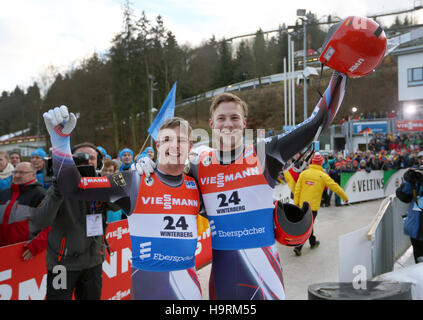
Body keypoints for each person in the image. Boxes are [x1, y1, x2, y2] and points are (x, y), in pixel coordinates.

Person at [139, 70, 348, 299]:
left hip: (265, 280)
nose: (228, 124)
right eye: (221, 118)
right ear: (211, 124)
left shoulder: (264, 152)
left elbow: (316, 122)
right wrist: (146, 166)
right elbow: (167, 178)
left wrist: (340, 72)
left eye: (234, 118)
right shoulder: (199, 164)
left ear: (244, 123)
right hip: (222, 281)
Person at [43, 106, 203, 300]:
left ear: (191, 146)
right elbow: (73, 187)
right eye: (167, 139)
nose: (175, 146)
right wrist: (60, 142)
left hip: (189, 289)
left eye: (181, 140)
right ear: (158, 144)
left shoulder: (196, 184)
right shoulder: (132, 181)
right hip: (148, 289)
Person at [31, 141, 111, 300]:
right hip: (62, 265)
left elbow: (120, 206)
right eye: (80, 158)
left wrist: (107, 186)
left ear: (99, 162)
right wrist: (58, 190)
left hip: (93, 262)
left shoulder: (102, 184)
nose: (86, 162)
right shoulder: (59, 187)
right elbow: (39, 222)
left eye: (92, 158)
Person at [293, 152, 349, 256]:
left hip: (302, 205)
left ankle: (312, 242)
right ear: (321, 163)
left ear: (312, 162)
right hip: (312, 207)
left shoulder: (304, 173)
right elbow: (335, 187)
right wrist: (344, 197)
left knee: (307, 224)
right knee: (308, 226)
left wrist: (296, 202)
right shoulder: (323, 175)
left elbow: (297, 189)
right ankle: (298, 247)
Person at [0, 162, 49, 261]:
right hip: (3, 250)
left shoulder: (41, 195)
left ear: (33, 174)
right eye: (15, 172)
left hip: (26, 252)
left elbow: (53, 225)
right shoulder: (4, 193)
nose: (17, 176)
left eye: (22, 173)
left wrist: (36, 245)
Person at [395, 169, 423, 264]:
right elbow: (403, 195)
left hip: (417, 229)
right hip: (417, 229)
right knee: (419, 261)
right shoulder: (418, 180)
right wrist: (409, 180)